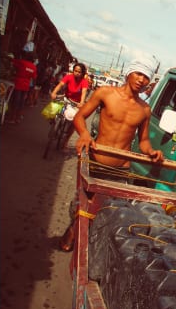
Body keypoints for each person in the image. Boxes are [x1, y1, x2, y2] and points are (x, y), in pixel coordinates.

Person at [57, 58, 164, 251]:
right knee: (82, 204)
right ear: (129, 73)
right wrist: (85, 134)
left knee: (110, 211)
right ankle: (74, 231)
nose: (141, 80)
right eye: (138, 74)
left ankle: (91, 245)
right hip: (97, 161)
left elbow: (144, 141)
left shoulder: (145, 110)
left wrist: (151, 151)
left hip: (121, 169)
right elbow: (80, 117)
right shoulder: (105, 93)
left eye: (146, 77)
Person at [49, 62, 90, 149]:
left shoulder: (84, 82)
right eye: (75, 71)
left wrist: (81, 103)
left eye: (79, 72)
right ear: (73, 70)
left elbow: (84, 93)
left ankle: (65, 141)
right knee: (53, 109)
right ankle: (54, 123)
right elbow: (60, 85)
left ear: (82, 73)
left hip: (76, 103)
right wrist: (54, 93)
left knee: (74, 123)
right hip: (66, 98)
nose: (77, 73)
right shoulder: (68, 76)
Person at [6, 51, 37, 124]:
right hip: (26, 86)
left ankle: (12, 118)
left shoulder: (22, 62)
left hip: (18, 84)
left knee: (15, 102)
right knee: (21, 102)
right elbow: (34, 78)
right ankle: (18, 118)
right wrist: (32, 88)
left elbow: (12, 61)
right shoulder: (33, 67)